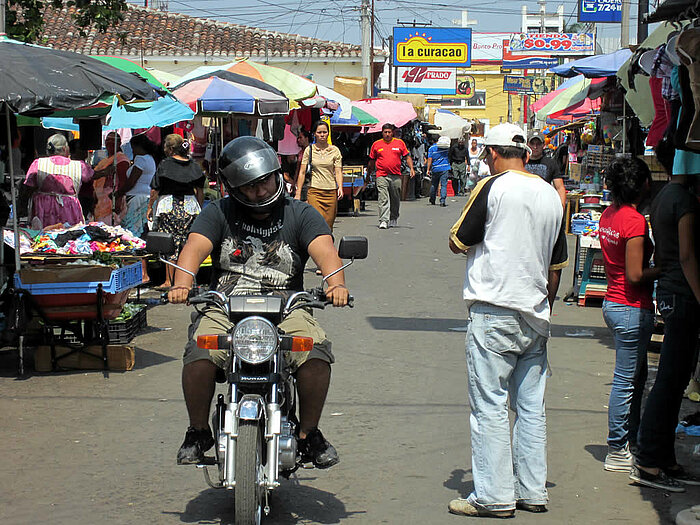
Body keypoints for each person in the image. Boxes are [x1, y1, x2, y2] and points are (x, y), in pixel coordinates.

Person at [169, 136, 349, 469]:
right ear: (234, 188)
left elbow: (326, 251)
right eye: (251, 187)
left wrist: (336, 285)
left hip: (287, 307)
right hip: (225, 306)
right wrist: (182, 283)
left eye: (265, 181)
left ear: (276, 173)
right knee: (199, 351)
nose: (261, 191)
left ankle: (309, 434)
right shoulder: (218, 212)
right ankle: (197, 431)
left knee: (315, 353)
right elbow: (194, 248)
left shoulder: (300, 213)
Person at [447, 123, 568, 518]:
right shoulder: (551, 196)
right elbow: (556, 266)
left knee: (490, 406)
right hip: (535, 313)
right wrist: (543, 307)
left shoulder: (492, 186)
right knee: (531, 407)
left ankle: (494, 496)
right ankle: (532, 491)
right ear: (526, 155)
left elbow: (457, 240)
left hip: (494, 310)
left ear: (492, 155)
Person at [631, 141, 700, 493]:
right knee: (671, 382)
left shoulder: (661, 197)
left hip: (671, 293)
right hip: (684, 295)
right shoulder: (685, 201)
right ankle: (649, 459)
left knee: (672, 381)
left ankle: (663, 457)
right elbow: (688, 256)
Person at [598, 157, 658, 473]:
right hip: (631, 306)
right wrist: (666, 267)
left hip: (615, 303)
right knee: (626, 381)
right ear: (642, 184)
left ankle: (627, 441)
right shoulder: (633, 221)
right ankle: (617, 449)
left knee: (634, 378)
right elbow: (635, 274)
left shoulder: (609, 215)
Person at [147, 134, 205, 289]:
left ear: (170, 149)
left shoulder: (165, 164)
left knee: (169, 244)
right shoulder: (193, 165)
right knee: (187, 245)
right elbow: (200, 191)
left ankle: (168, 281)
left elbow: (155, 189)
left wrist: (150, 207)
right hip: (189, 207)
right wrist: (198, 209)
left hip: (169, 207)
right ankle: (188, 282)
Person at [23, 134, 93, 229]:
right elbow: (91, 175)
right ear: (65, 148)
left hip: (43, 208)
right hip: (69, 208)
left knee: (44, 237)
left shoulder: (38, 163)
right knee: (69, 237)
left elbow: (29, 186)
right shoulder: (79, 166)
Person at [295, 121, 343, 231]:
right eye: (319, 132)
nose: (322, 135)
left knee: (328, 226)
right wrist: (298, 193)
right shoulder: (309, 150)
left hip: (331, 191)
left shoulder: (335, 150)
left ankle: (328, 244)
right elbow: (302, 172)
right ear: (314, 134)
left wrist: (340, 187)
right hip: (314, 191)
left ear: (328, 134)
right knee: (316, 223)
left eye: (325, 132)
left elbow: (338, 171)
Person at [368, 123, 415, 229]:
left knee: (395, 198)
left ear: (392, 133)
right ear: (382, 133)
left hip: (396, 176)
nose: (387, 134)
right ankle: (383, 220)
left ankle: (393, 218)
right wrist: (369, 173)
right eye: (385, 132)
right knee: (383, 198)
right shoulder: (376, 144)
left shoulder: (399, 143)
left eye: (389, 132)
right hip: (381, 175)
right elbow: (372, 160)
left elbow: (407, 157)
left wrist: (411, 168)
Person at [118, 133, 158, 238]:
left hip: (137, 197)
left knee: (132, 227)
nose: (133, 151)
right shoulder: (151, 159)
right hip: (146, 196)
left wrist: (119, 193)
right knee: (142, 226)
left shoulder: (140, 159)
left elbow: (132, 180)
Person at [93, 132, 129, 225]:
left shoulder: (121, 159)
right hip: (100, 202)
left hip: (111, 200)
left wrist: (118, 200)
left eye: (113, 141)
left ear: (119, 143)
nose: (110, 143)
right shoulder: (104, 161)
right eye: (108, 141)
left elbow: (123, 182)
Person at [526, 131, 567, 206]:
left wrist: (561, 208)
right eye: (532, 143)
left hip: (544, 205)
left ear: (543, 145)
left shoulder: (551, 163)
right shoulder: (521, 162)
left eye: (538, 144)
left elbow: (560, 188)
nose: (535, 147)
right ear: (527, 144)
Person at [426, 136, 452, 207]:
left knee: (434, 184)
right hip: (445, 168)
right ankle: (442, 200)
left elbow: (430, 159)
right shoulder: (446, 148)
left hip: (435, 168)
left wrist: (428, 169)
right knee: (444, 185)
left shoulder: (431, 148)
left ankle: (432, 199)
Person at [294, 129, 312, 201]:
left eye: (300, 137)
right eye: (298, 138)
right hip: (302, 183)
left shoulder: (313, 151)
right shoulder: (300, 152)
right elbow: (298, 169)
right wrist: (295, 183)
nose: (298, 140)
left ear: (306, 138)